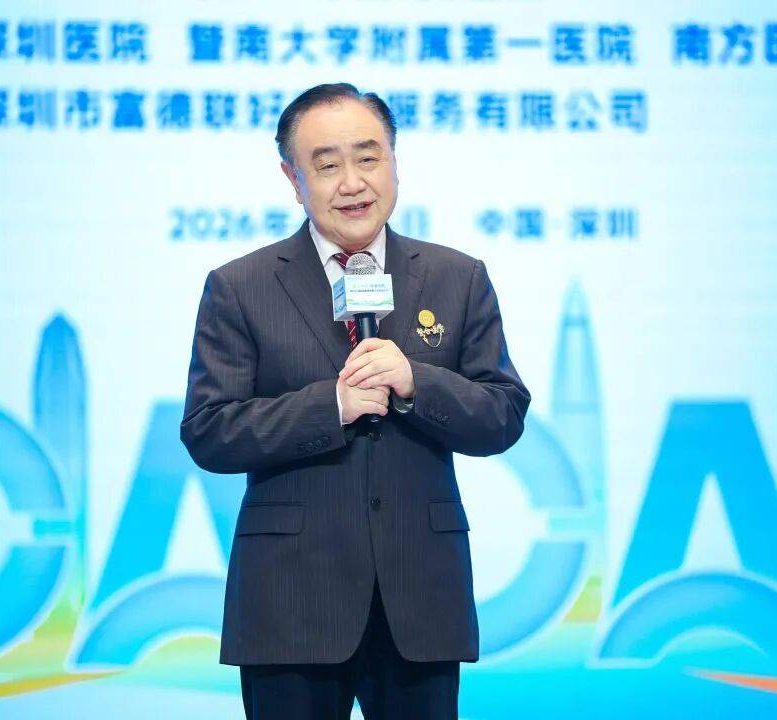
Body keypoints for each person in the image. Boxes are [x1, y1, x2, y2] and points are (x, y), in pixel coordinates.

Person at [180, 83, 530, 720]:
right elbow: (209, 430)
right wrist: (331, 407)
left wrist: (418, 382)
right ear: (293, 180)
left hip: (420, 598)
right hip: (291, 599)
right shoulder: (241, 286)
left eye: (368, 158)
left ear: (394, 162)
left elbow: (502, 414)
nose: (352, 183)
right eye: (326, 165)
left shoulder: (457, 277)